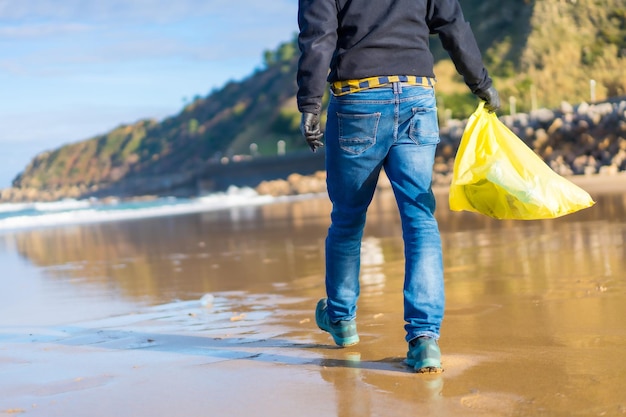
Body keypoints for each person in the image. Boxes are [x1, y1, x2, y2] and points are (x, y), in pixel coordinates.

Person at [296, 0, 500, 373]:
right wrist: (481, 83)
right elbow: (452, 22)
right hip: (417, 94)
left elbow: (318, 35)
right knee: (420, 219)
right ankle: (424, 340)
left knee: (347, 220)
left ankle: (340, 319)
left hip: (359, 97)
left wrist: (309, 102)